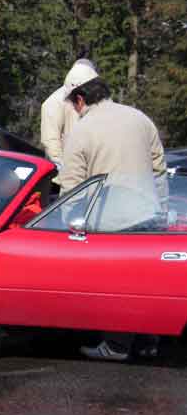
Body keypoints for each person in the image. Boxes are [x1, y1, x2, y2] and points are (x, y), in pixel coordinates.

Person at [61, 75, 168, 361]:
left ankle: (116, 345)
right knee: (147, 284)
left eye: (73, 104)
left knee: (119, 287)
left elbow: (72, 186)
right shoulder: (140, 118)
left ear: (80, 99)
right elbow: (159, 170)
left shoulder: (82, 130)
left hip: (111, 221)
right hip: (149, 214)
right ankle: (147, 341)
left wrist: (68, 221)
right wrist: (162, 211)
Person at [40, 59, 98, 180]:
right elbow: (50, 140)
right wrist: (66, 170)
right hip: (62, 177)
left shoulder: (93, 99)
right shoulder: (54, 102)